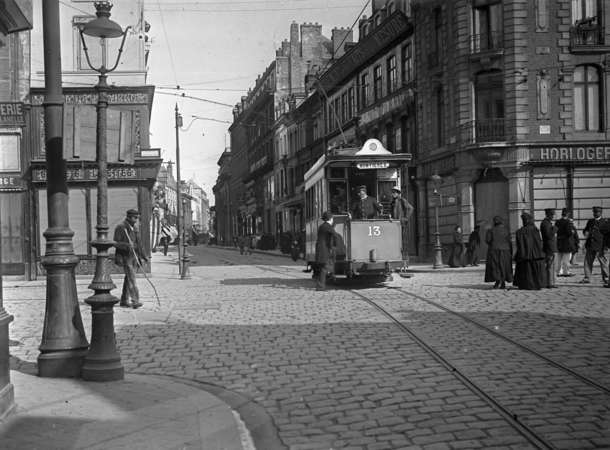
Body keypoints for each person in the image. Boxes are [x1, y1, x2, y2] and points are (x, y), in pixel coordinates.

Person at [114, 209, 147, 308]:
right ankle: (135, 300)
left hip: (134, 257)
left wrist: (144, 256)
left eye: (137, 218)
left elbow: (140, 244)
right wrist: (127, 245)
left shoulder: (135, 228)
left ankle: (124, 300)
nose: (136, 220)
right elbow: (116, 243)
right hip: (125, 257)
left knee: (128, 279)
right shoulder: (121, 227)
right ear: (129, 217)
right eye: (135, 218)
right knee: (132, 279)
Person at [513, 211, 547, 290]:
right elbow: (538, 242)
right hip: (535, 254)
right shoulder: (535, 230)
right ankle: (535, 284)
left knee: (525, 269)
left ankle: (524, 284)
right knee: (533, 269)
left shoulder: (519, 232)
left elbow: (519, 244)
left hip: (524, 255)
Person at [580, 206, 609, 285]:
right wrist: (585, 232)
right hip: (590, 245)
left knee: (603, 262)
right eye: (594, 212)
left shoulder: (605, 222)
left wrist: (606, 246)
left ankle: (606, 278)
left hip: (600, 246)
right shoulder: (590, 221)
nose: (595, 214)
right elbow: (586, 230)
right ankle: (587, 277)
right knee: (587, 262)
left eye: (597, 212)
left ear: (600, 213)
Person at [484, 217, 513, 289]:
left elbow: (487, 240)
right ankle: (503, 282)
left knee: (496, 266)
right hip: (505, 250)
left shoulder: (491, 230)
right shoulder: (506, 230)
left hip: (494, 250)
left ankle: (497, 282)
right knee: (504, 266)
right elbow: (509, 241)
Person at [389, 186, 414, 262]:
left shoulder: (402, 200)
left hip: (401, 224)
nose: (393, 194)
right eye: (392, 192)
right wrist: (391, 217)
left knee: (403, 241)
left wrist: (405, 218)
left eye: (394, 192)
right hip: (395, 225)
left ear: (398, 193)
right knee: (396, 241)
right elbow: (392, 212)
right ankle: (397, 257)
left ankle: (405, 258)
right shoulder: (392, 202)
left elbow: (410, 208)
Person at [314, 211, 337, 291]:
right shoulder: (327, 226)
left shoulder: (323, 226)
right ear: (330, 219)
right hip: (324, 250)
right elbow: (335, 234)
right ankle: (320, 286)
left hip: (321, 249)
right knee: (324, 268)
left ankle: (322, 284)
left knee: (324, 267)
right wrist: (335, 245)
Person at [555, 208, 577, 277]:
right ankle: (566, 272)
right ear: (568, 214)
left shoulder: (557, 222)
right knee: (567, 259)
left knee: (559, 259)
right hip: (566, 243)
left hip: (559, 242)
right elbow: (569, 232)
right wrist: (572, 231)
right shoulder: (568, 222)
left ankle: (559, 272)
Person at [540, 208, 558, 288]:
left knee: (552, 266)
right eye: (553, 214)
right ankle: (550, 283)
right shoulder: (545, 223)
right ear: (549, 215)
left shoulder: (548, 223)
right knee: (550, 266)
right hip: (549, 247)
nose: (554, 216)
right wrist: (555, 228)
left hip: (551, 247)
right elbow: (549, 235)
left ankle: (551, 282)